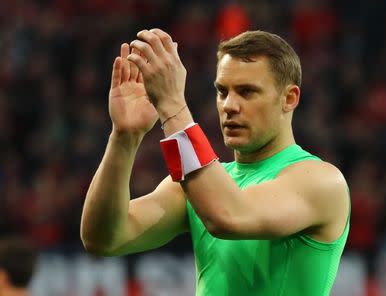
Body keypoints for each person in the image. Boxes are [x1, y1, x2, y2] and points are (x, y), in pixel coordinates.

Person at [80, 29, 350, 295]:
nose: (230, 105)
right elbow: (103, 239)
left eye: (247, 92)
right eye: (223, 91)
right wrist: (125, 136)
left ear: (289, 98)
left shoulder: (321, 181)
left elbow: (229, 216)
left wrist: (173, 106)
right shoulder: (199, 185)